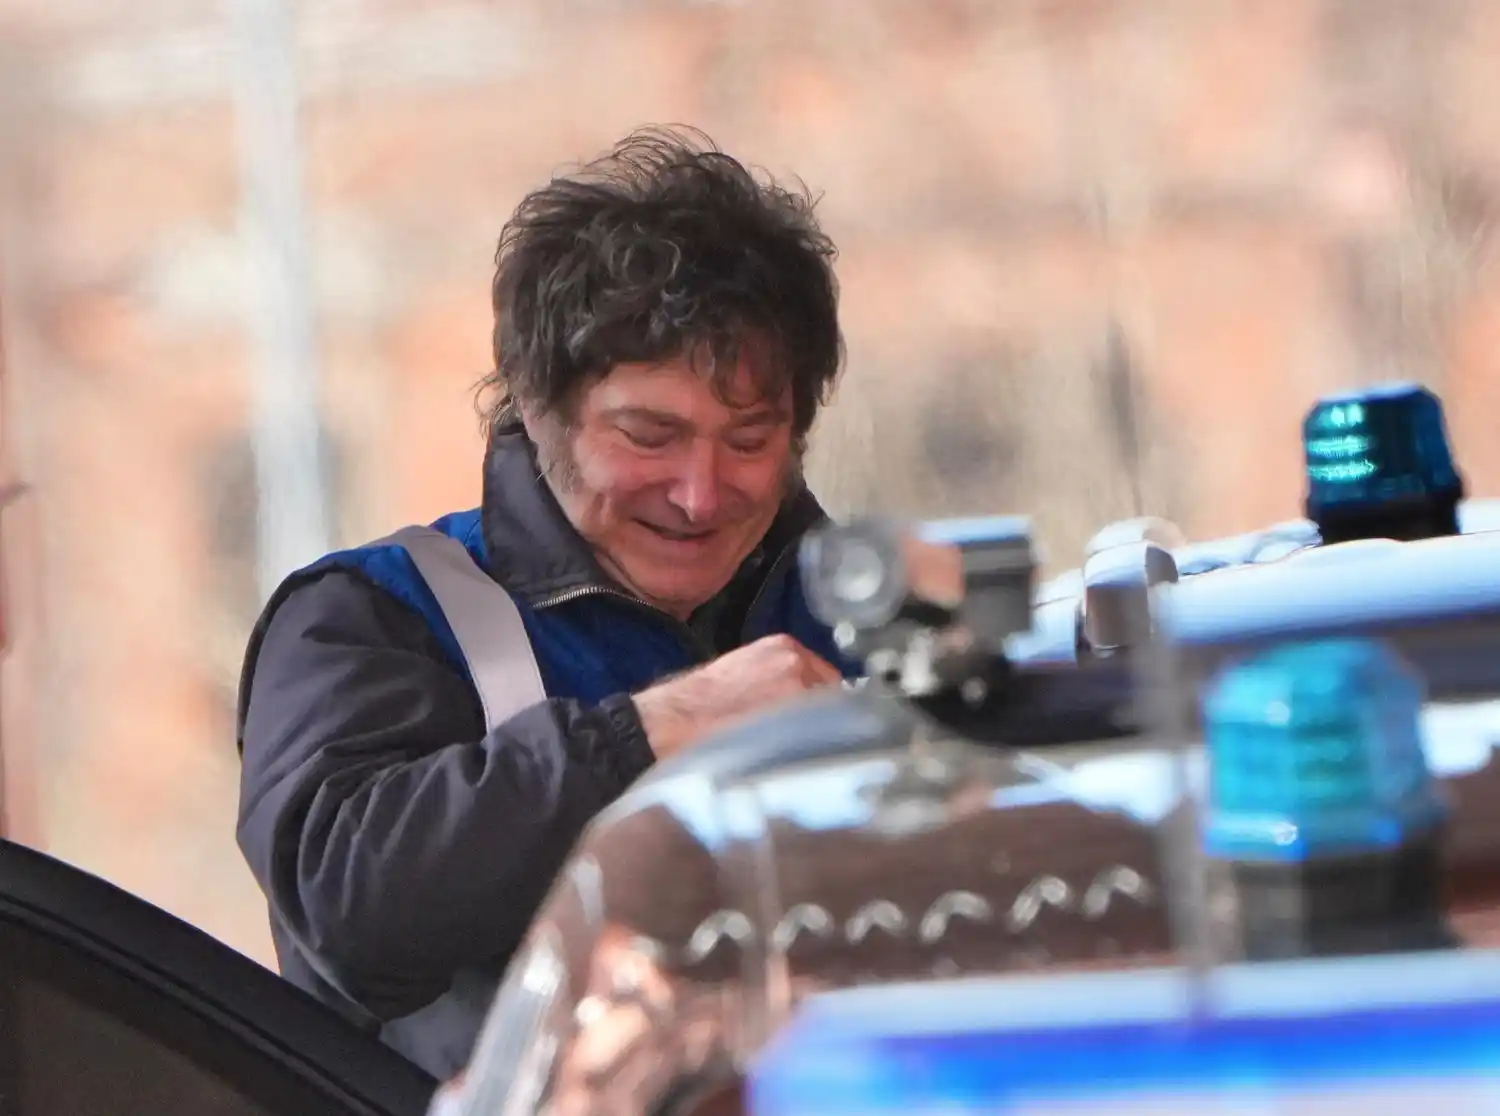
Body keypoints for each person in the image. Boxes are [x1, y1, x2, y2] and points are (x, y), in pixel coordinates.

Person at [234, 126, 858, 1081]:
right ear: (536, 403)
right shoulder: (376, 616)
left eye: (748, 440)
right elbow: (350, 913)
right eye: (650, 435)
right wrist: (654, 732)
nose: (700, 492)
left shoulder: (861, 608)